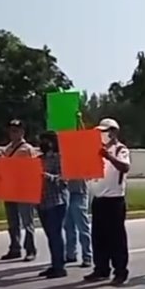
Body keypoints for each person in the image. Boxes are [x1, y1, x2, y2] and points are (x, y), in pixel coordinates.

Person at [84, 118, 131, 286]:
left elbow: (125, 167)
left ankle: (120, 271)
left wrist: (108, 156)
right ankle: (101, 269)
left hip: (114, 201)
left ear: (114, 132)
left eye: (105, 132)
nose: (102, 135)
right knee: (98, 237)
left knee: (116, 239)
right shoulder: (97, 150)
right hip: (98, 200)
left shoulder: (120, 149)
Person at [0, 119, 38, 262]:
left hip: (24, 189)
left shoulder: (27, 149)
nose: (13, 133)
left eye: (16, 130)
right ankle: (14, 248)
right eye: (11, 130)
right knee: (12, 221)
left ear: (22, 132)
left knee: (27, 221)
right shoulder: (7, 149)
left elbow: (34, 169)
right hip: (10, 188)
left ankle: (30, 249)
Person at [37, 131, 68, 279]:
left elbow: (64, 180)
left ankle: (60, 267)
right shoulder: (38, 159)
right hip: (42, 201)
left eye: (46, 141)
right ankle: (54, 263)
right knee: (50, 235)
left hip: (56, 202)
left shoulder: (59, 159)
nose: (43, 143)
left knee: (55, 235)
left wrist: (47, 176)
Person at [64, 113, 93, 268]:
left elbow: (85, 138)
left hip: (79, 191)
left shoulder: (81, 150)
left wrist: (79, 120)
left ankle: (87, 256)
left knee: (82, 225)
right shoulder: (64, 149)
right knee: (68, 225)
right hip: (66, 190)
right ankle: (70, 254)